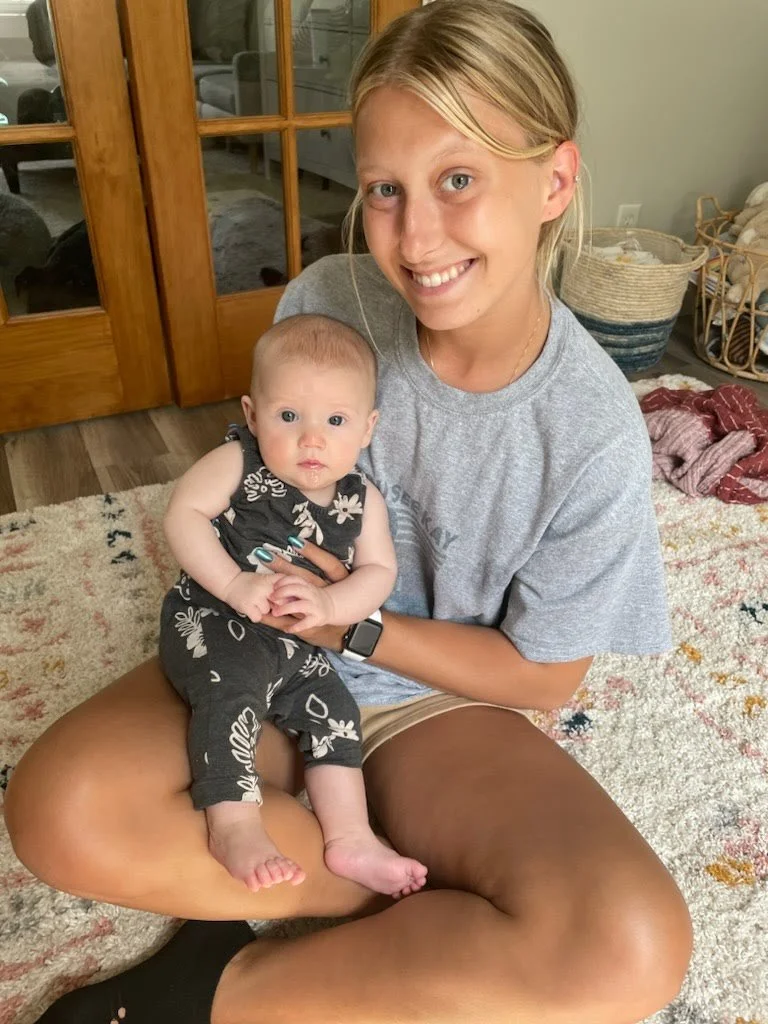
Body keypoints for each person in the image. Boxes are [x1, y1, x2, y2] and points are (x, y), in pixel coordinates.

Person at [5, 1, 694, 1022]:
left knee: (631, 946)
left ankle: (227, 984)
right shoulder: (330, 303)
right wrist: (259, 585)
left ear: (553, 179)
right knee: (56, 808)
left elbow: (550, 673)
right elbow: (246, 492)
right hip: (268, 653)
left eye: (457, 179)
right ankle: (405, 904)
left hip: (438, 709)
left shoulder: (591, 429)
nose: (416, 239)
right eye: (385, 190)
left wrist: (363, 624)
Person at [159, 313, 426, 897]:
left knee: (337, 713)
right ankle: (233, 825)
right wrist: (232, 585)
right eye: (288, 417)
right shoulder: (239, 462)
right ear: (253, 415)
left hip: (296, 642)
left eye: (335, 420)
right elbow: (183, 515)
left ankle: (351, 837)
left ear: (367, 428)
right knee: (231, 696)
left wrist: (330, 604)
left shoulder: (362, 498)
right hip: (210, 619)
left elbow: (380, 572)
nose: (312, 438)